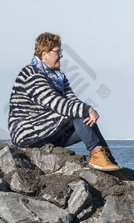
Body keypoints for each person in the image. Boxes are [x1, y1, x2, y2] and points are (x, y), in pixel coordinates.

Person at [8, 32, 120, 171]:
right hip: (27, 131)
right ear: (44, 55)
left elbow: (71, 100)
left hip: (48, 128)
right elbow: (55, 102)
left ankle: (110, 163)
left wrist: (86, 111)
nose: (61, 55)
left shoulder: (59, 77)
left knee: (85, 117)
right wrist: (87, 109)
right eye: (57, 51)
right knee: (79, 112)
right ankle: (97, 155)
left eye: (60, 51)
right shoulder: (31, 73)